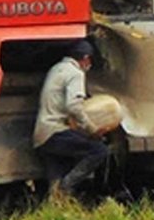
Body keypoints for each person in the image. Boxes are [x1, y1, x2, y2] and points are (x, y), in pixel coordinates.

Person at [33, 40, 110, 201]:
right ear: (85, 58)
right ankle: (66, 188)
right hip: (55, 132)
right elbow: (74, 106)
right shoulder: (75, 73)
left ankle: (58, 202)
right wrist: (92, 129)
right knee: (99, 150)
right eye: (89, 60)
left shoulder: (56, 69)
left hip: (41, 135)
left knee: (55, 185)